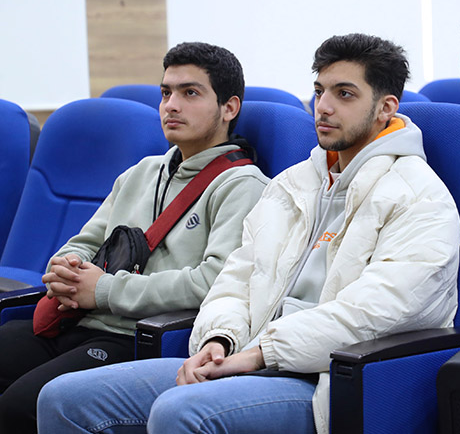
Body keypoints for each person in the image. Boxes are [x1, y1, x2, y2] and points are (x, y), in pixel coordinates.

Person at [38, 33, 460, 434]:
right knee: (64, 399)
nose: (324, 107)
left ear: (386, 108)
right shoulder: (294, 184)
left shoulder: (419, 197)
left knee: (181, 412)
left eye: (344, 94)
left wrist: (260, 354)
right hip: (246, 354)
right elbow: (236, 279)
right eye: (319, 91)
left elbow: (374, 313)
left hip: (324, 378)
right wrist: (219, 339)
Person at [0, 42, 269, 433]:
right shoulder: (142, 171)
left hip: (137, 337)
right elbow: (85, 241)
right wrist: (66, 268)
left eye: (190, 93)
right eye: (166, 93)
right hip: (77, 320)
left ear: (229, 108)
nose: (171, 105)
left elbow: (213, 282)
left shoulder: (242, 185)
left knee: (19, 406)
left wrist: (105, 290)